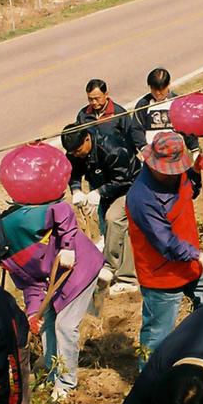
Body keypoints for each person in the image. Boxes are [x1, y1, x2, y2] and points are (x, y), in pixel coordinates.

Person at [0, 199, 103, 401]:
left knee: (65, 326)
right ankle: (53, 373)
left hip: (78, 266)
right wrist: (33, 312)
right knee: (46, 324)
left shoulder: (17, 222)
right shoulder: (2, 255)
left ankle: (66, 384)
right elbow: (30, 284)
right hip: (54, 280)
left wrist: (67, 247)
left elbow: (62, 210)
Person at [125, 131, 203, 366]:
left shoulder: (178, 175)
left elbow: (189, 190)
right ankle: (148, 379)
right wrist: (198, 255)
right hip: (161, 275)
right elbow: (165, 242)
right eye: (169, 170)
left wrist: (195, 172)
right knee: (157, 336)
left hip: (191, 264)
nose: (174, 174)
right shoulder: (141, 197)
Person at [63, 123, 139, 292]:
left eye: (78, 151)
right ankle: (124, 274)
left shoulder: (112, 148)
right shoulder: (75, 151)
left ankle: (112, 269)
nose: (76, 155)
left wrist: (99, 192)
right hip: (106, 187)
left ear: (87, 139)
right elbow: (73, 172)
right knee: (114, 230)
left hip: (131, 187)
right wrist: (76, 189)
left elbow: (123, 179)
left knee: (114, 219)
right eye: (72, 153)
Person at [76, 78, 146, 155]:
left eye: (97, 98)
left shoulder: (119, 114)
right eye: (90, 99)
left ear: (106, 95)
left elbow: (130, 137)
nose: (94, 102)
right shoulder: (83, 115)